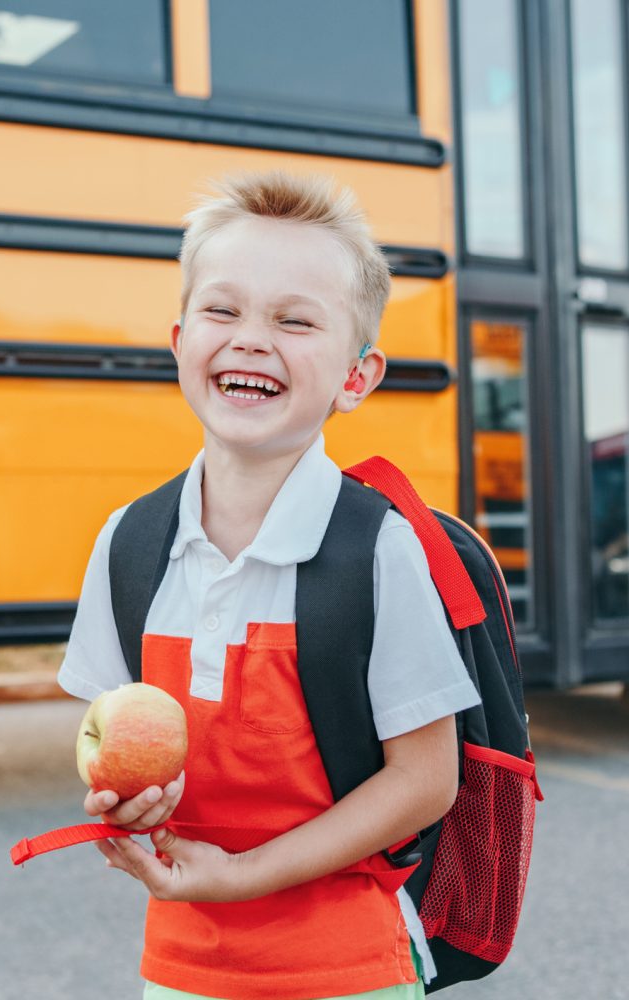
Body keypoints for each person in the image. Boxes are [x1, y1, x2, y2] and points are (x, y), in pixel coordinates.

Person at [57, 171, 481, 1000]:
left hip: (349, 970)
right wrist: (128, 798)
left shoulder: (379, 549)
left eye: (294, 320)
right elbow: (106, 731)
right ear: (180, 341)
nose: (252, 339)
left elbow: (427, 780)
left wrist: (244, 875)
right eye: (224, 311)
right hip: (182, 969)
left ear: (357, 377)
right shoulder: (129, 545)